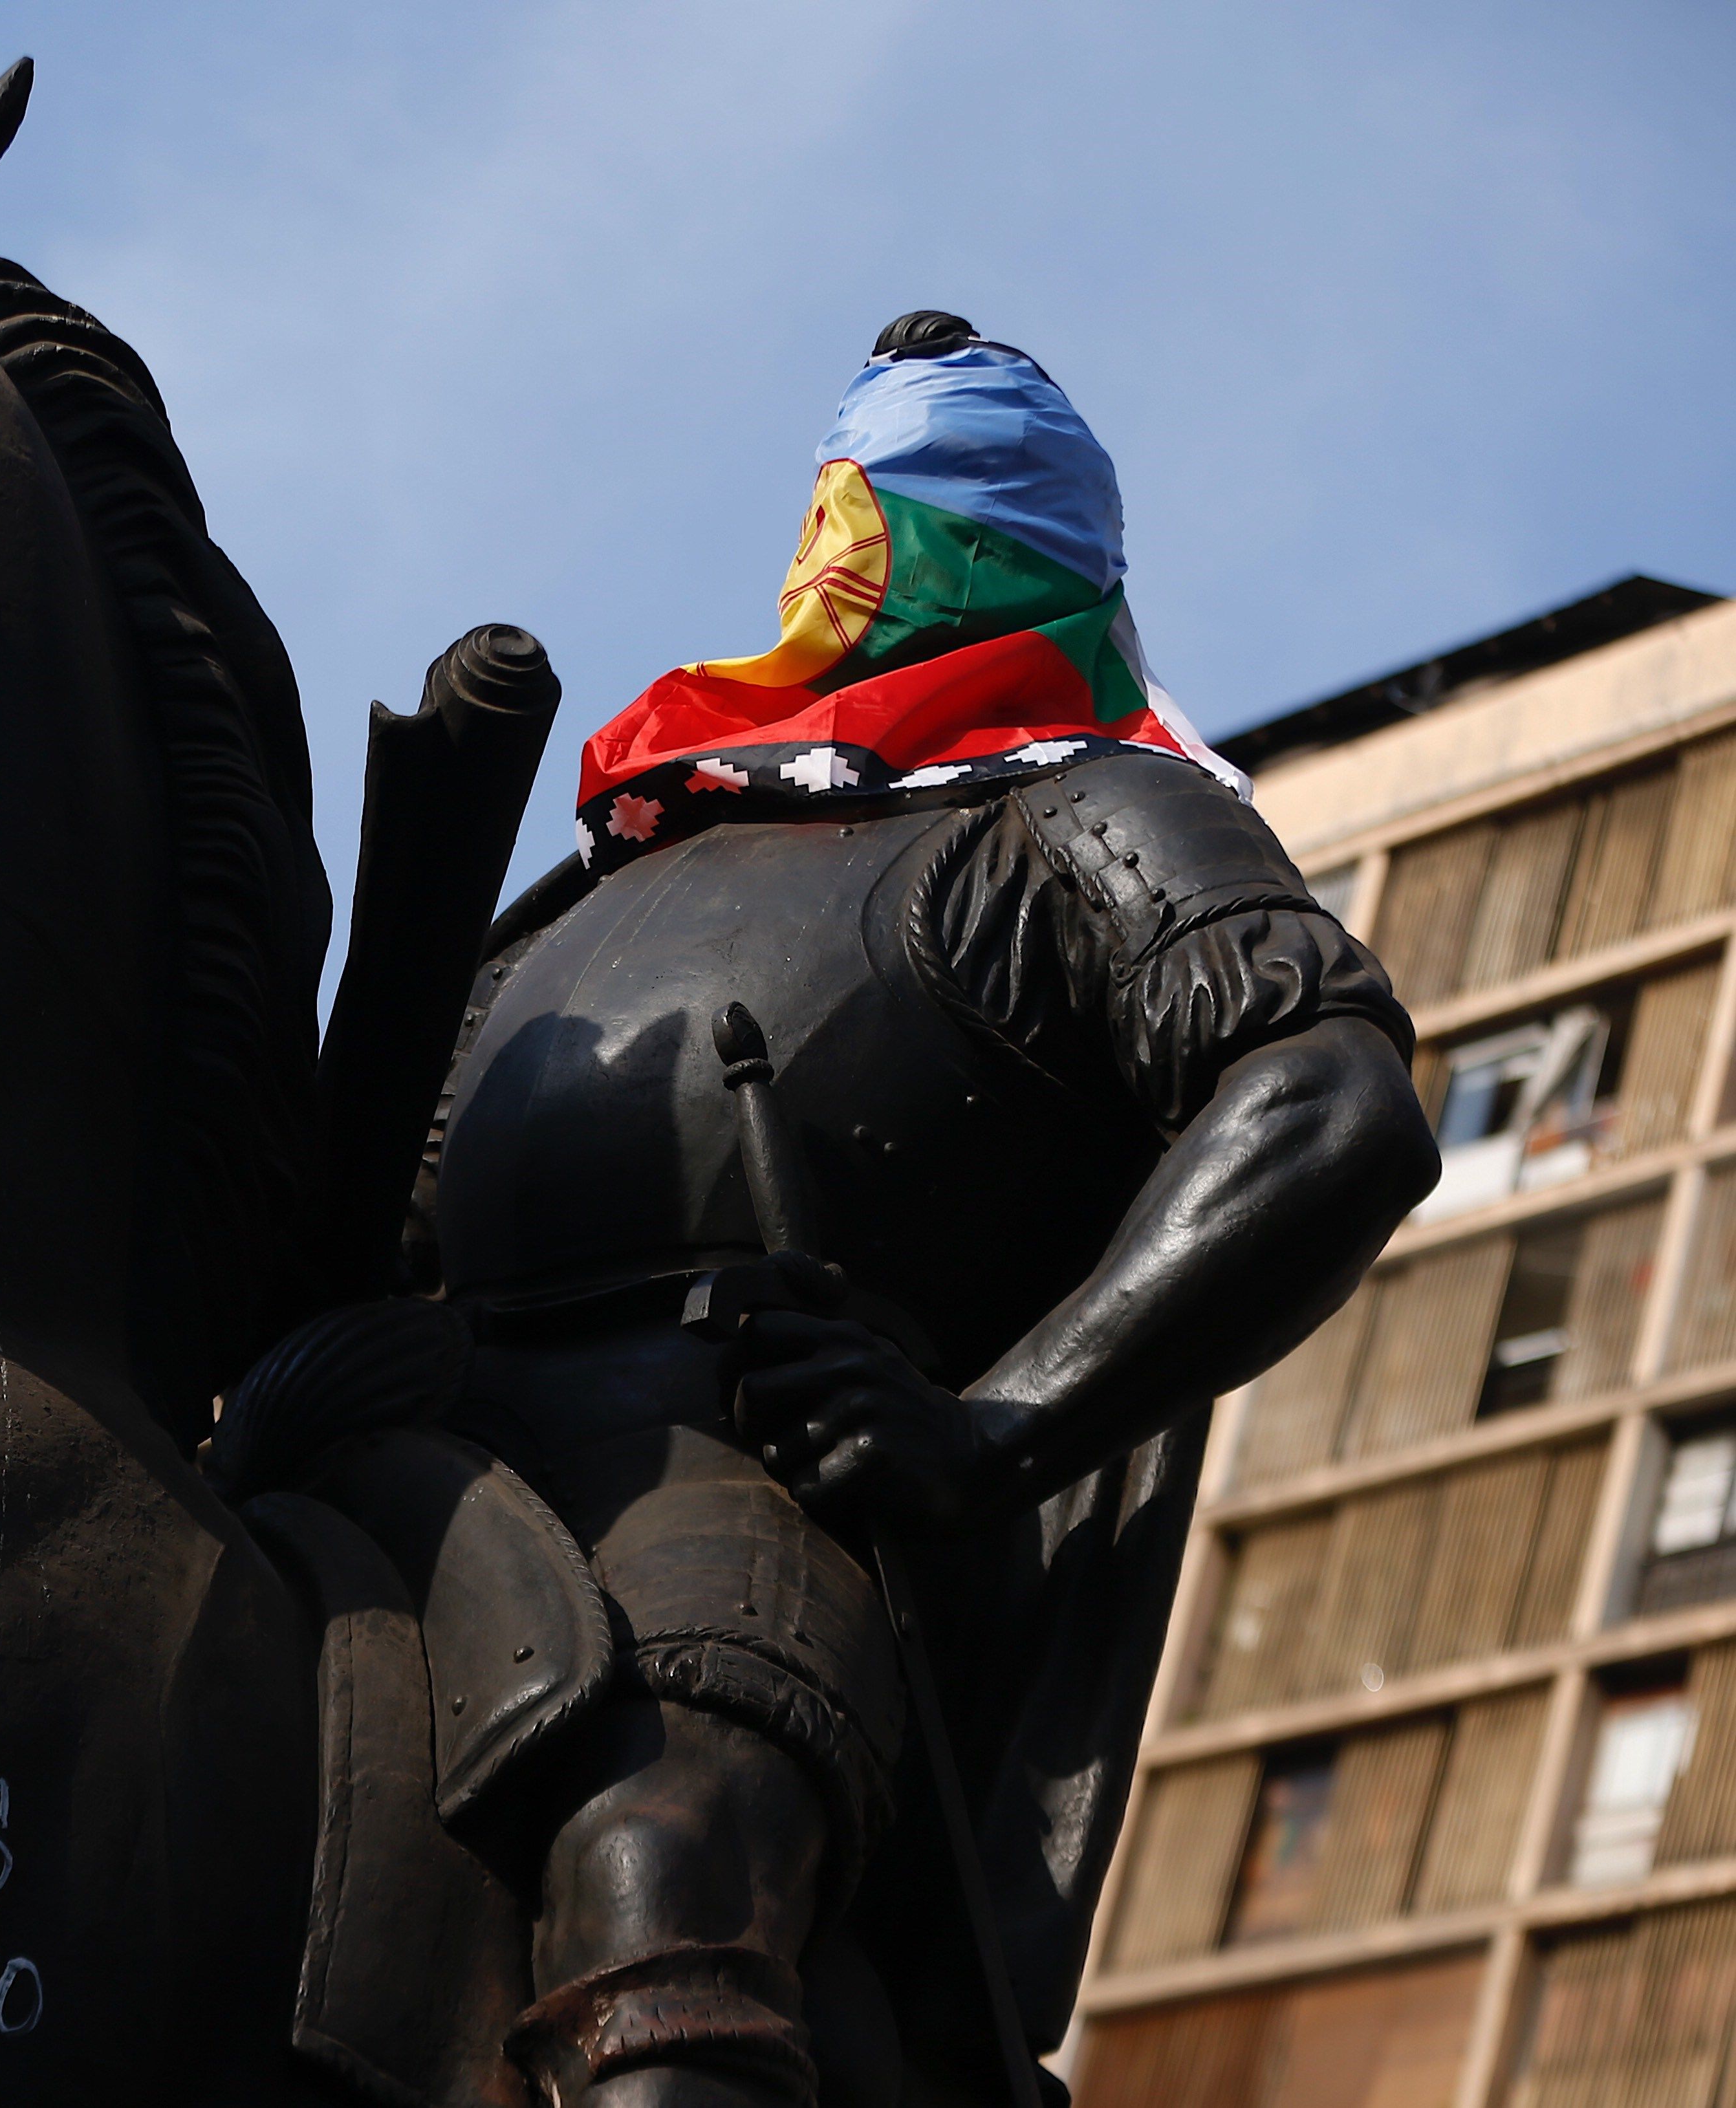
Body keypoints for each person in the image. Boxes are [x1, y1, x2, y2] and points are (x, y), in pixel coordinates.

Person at [420, 313, 1439, 2105]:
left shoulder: (1084, 812)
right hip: (404, 1443)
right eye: (821, 511)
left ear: (970, 538)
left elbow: (1326, 1095)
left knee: (661, 1849)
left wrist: (986, 1428)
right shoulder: (617, 857)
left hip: (741, 1474)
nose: (821, 559)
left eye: (866, 515)